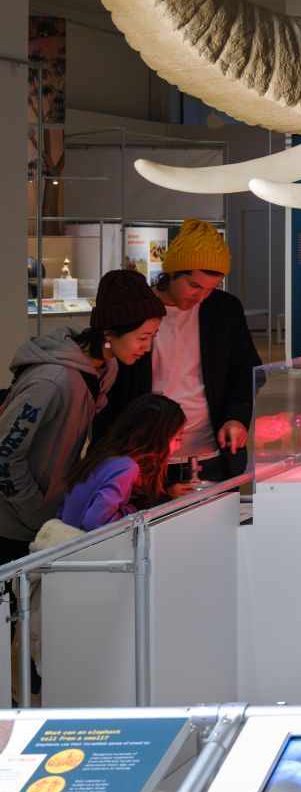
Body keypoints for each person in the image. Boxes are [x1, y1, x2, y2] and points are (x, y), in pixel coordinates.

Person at [0, 271, 165, 561]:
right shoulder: (51, 380)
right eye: (142, 337)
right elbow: (4, 453)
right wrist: (35, 506)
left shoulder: (107, 368)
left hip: (50, 520)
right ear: (109, 333)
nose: (147, 347)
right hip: (14, 526)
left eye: (152, 336)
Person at [96, 221, 260, 484]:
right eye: (194, 285)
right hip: (145, 458)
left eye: (212, 288)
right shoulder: (136, 313)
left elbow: (245, 371)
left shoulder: (225, 310)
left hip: (212, 454)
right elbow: (112, 388)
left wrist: (236, 419)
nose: (202, 296)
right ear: (171, 273)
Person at [55, 395, 186, 532]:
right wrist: (133, 509)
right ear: (157, 438)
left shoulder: (104, 454)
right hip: (85, 547)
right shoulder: (125, 467)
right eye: (177, 438)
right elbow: (97, 523)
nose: (178, 446)